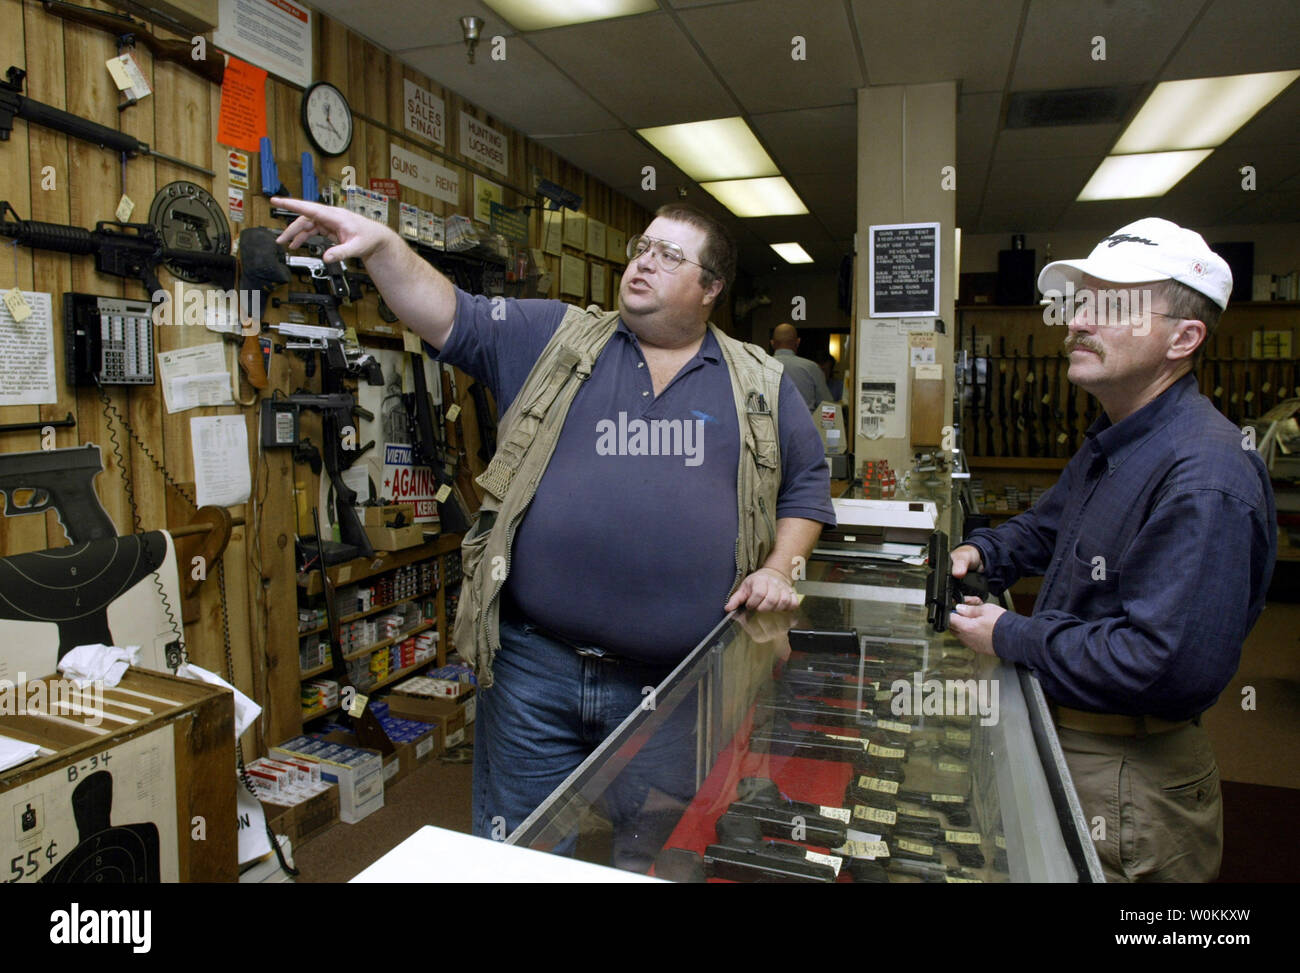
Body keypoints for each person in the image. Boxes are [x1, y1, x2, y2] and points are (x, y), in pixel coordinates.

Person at [273, 197, 836, 857]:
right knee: (520, 857)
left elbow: (808, 485)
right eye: (643, 247)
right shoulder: (554, 337)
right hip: (534, 672)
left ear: (710, 288)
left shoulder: (761, 385)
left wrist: (780, 566)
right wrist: (383, 247)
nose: (643, 264)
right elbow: (450, 313)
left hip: (679, 684)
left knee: (659, 854)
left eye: (669, 256)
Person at [946, 218, 1277, 883]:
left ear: (1184, 338)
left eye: (1112, 305)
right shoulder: (1120, 437)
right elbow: (1046, 529)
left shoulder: (1205, 474)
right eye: (1079, 302)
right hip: (1075, 739)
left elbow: (1164, 665)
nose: (1074, 321)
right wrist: (982, 552)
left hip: (1128, 779)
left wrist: (1012, 634)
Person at [770, 323, 833, 412]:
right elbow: (827, 405)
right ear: (798, 342)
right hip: (804, 424)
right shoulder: (811, 367)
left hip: (768, 424)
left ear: (772, 343)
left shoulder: (759, 367)